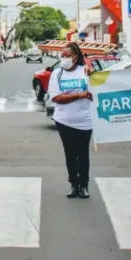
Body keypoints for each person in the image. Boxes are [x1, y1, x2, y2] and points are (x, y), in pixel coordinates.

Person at [49, 42, 94, 199]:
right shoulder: (57, 74)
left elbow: (96, 92)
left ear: (75, 57)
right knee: (70, 154)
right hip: (63, 121)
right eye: (62, 56)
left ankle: (84, 185)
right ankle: (74, 184)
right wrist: (80, 95)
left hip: (85, 121)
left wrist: (92, 72)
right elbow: (57, 98)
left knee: (83, 154)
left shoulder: (86, 72)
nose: (64, 58)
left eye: (67, 56)